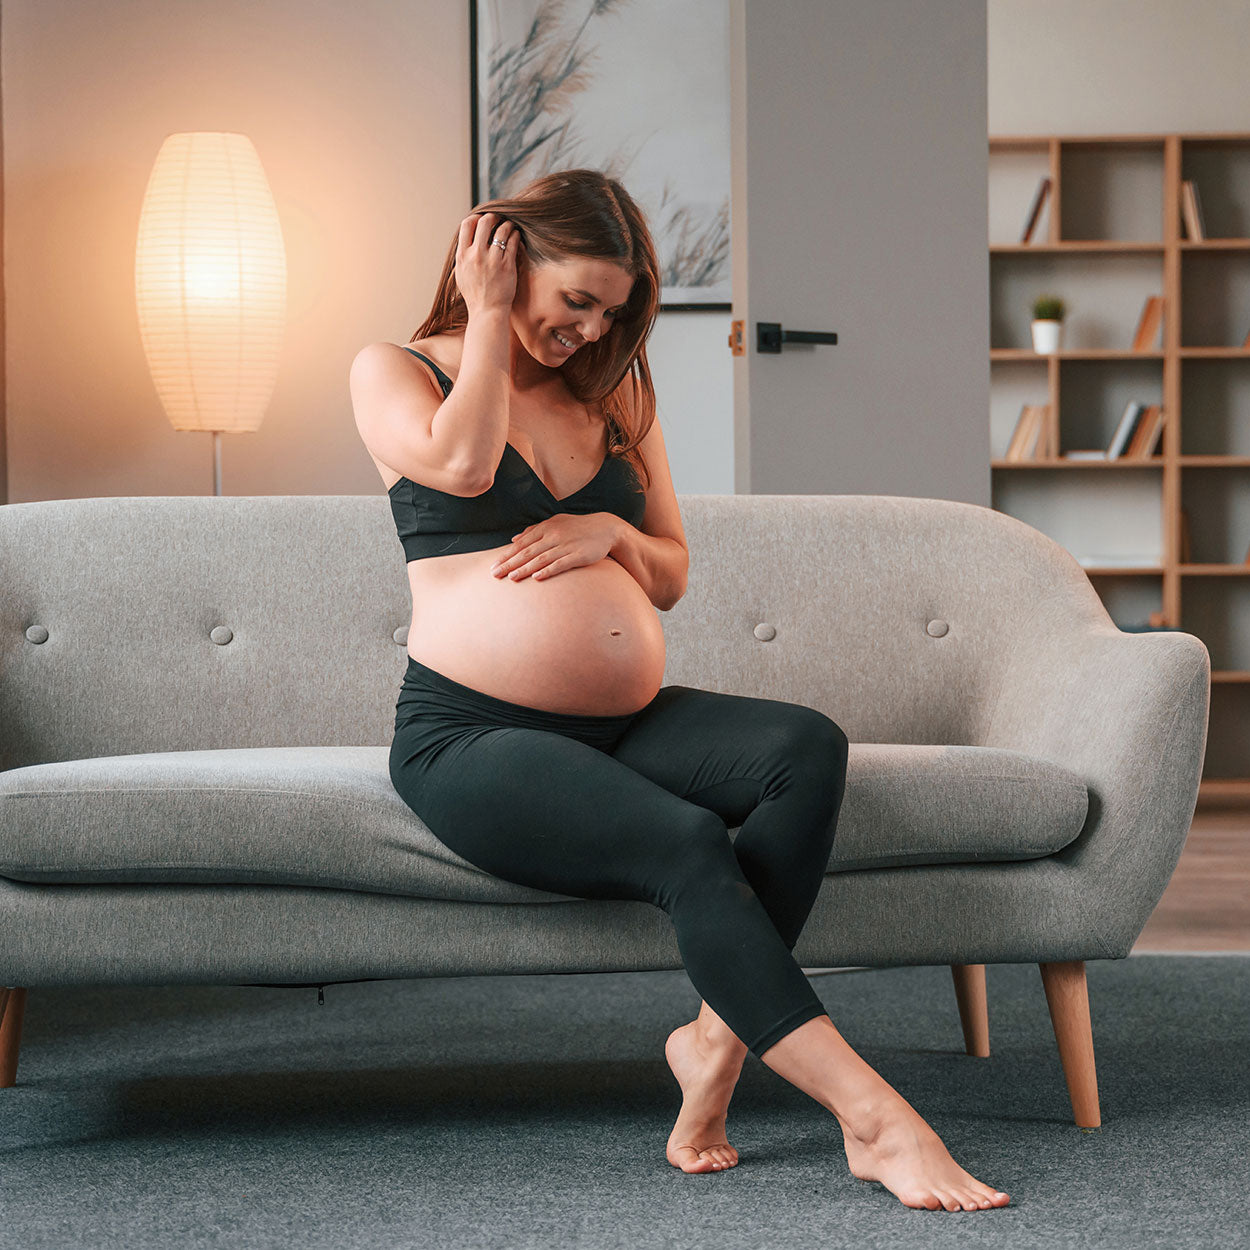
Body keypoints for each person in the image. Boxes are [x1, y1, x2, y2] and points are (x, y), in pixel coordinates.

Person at [349, 169, 1009, 1213]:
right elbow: (464, 468)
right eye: (575, 301)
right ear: (506, 258)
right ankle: (876, 1119)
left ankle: (710, 1039)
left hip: (620, 722)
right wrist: (482, 317)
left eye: (612, 310)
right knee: (687, 842)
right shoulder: (398, 370)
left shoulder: (615, 392)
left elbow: (668, 568)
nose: (590, 329)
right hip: (471, 735)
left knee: (802, 746)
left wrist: (609, 530)